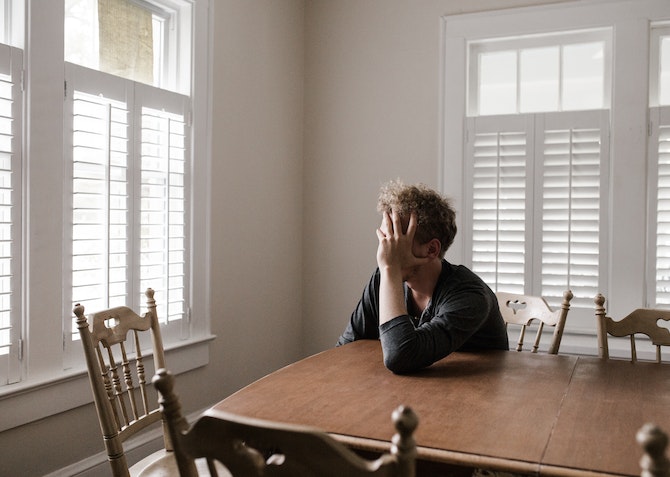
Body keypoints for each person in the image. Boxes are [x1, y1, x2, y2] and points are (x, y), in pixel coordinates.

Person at [337, 179, 508, 374]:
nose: (384, 250)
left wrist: (390, 269)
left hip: (477, 396)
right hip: (411, 392)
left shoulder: (470, 296)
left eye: (395, 240)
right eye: (384, 238)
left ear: (431, 249)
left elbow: (400, 356)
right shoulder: (384, 278)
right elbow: (346, 348)